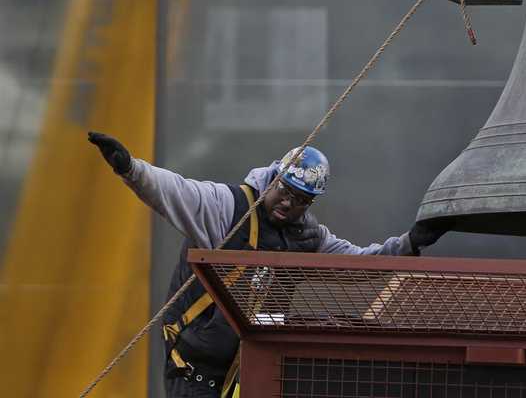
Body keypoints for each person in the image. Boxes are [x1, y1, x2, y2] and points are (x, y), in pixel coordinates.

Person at [87, 131, 446, 398]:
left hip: (249, 374)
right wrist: (131, 169)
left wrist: (410, 243)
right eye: (285, 192)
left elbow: (360, 265)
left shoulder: (307, 238)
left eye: (301, 200)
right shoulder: (229, 210)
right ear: (274, 177)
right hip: (192, 372)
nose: (289, 204)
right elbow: (177, 191)